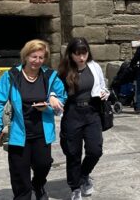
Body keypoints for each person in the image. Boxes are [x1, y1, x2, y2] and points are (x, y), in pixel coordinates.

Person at [0, 39, 66, 200]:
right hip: (19, 133)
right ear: (25, 56)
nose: (37, 61)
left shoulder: (50, 76)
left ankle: (38, 185)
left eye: (41, 57)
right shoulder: (11, 76)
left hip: (42, 132)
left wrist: (51, 101)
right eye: (34, 57)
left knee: (43, 165)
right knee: (19, 173)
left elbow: (63, 97)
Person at [57, 38, 109, 200]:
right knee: (73, 153)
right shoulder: (64, 71)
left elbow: (102, 86)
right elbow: (56, 92)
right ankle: (75, 187)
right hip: (72, 113)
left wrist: (104, 93)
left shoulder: (94, 67)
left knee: (95, 150)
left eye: (84, 53)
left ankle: (84, 174)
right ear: (71, 54)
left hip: (92, 112)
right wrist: (53, 99)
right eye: (77, 54)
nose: (81, 57)